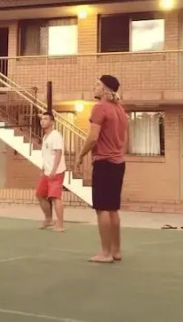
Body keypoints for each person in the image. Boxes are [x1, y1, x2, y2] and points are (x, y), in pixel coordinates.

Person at [74, 75, 127, 263]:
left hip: (104, 163)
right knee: (113, 209)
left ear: (105, 89)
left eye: (97, 84)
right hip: (119, 163)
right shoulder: (120, 110)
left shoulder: (99, 108)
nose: (94, 87)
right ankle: (116, 251)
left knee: (102, 209)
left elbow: (93, 137)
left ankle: (105, 253)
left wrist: (80, 155)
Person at [36, 111, 66, 232]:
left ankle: (60, 224)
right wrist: (43, 168)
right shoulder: (45, 137)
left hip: (56, 172)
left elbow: (58, 152)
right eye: (42, 119)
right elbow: (47, 155)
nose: (42, 121)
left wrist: (54, 170)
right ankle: (48, 219)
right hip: (46, 171)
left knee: (55, 197)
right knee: (39, 194)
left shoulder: (55, 135)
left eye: (46, 119)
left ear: (52, 122)